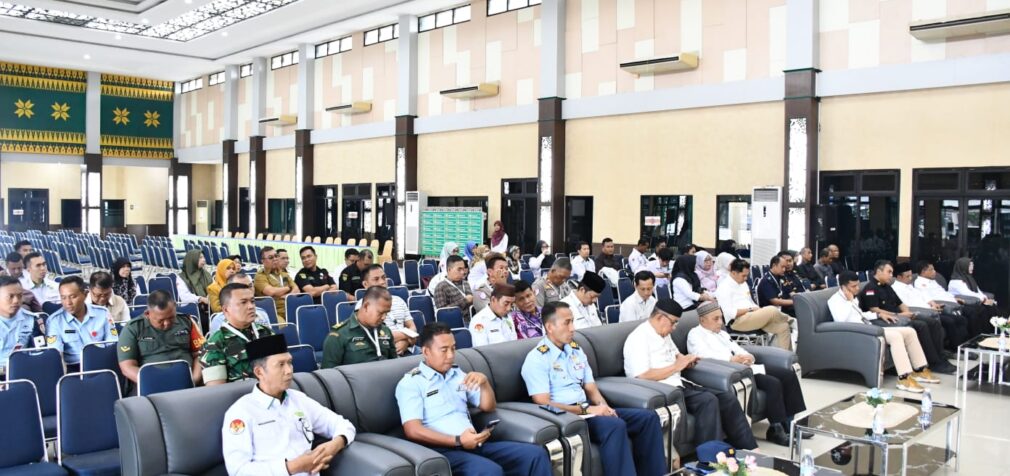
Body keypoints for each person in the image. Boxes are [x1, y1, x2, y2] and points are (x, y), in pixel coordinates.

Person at [521, 302, 666, 476]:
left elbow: (591, 388)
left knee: (648, 418)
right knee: (615, 426)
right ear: (550, 327)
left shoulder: (575, 350)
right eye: (567, 323)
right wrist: (588, 409)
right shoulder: (537, 358)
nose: (573, 328)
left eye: (573, 321)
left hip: (588, 410)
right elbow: (543, 403)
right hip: (567, 417)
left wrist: (605, 407)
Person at [397, 322, 551, 476]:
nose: (450, 355)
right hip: (441, 451)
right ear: (426, 351)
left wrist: (484, 383)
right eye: (444, 350)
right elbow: (413, 430)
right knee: (489, 471)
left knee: (535, 455)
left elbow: (488, 407)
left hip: (473, 443)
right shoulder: (411, 383)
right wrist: (458, 440)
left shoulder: (457, 374)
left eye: (453, 348)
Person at [623, 299, 757, 450]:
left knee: (727, 398)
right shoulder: (638, 338)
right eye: (673, 323)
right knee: (707, 401)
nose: (674, 327)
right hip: (662, 390)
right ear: (660, 317)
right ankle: (709, 457)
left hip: (679, 382)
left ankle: (750, 448)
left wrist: (687, 360)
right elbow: (641, 375)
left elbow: (677, 355)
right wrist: (676, 367)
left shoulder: (664, 333)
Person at [222, 334, 355, 475]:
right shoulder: (241, 412)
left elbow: (344, 425)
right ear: (259, 372)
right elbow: (238, 471)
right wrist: (293, 467)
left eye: (290, 363)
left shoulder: (298, 399)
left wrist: (335, 445)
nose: (289, 370)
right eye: (281, 365)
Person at [687, 302, 806, 447]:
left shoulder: (722, 333)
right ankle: (775, 429)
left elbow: (737, 348)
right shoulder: (695, 334)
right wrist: (731, 360)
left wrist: (749, 356)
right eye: (716, 319)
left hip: (747, 366)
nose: (721, 322)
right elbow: (701, 355)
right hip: (731, 372)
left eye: (721, 318)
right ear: (702, 320)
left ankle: (792, 425)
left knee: (788, 375)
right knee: (772, 383)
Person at [829, 272, 938, 393]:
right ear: (843, 287)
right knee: (896, 336)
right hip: (858, 333)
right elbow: (841, 320)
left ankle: (919, 369)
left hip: (869, 328)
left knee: (909, 331)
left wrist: (879, 314)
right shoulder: (834, 301)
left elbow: (861, 315)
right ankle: (904, 378)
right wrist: (850, 302)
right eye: (853, 286)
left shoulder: (853, 297)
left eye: (858, 285)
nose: (857, 288)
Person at [859, 260, 955, 374]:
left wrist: (908, 313)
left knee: (932, 322)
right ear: (879, 271)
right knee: (922, 326)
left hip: (901, 316)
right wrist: (901, 315)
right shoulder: (870, 288)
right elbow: (874, 310)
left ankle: (940, 356)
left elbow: (900, 303)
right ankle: (933, 363)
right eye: (889, 272)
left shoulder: (887, 286)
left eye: (892, 272)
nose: (891, 275)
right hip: (888, 319)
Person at [118, 290, 205, 388]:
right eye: (161, 320)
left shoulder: (186, 321)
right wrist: (155, 383)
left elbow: (200, 354)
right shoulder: (133, 328)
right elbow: (127, 367)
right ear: (147, 314)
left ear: (175, 307)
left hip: (188, 380)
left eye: (171, 318)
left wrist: (194, 379)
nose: (166, 323)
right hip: (151, 384)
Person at [201, 283, 275, 385]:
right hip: (243, 394)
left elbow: (283, 369)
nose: (251, 306)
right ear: (226, 309)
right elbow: (216, 390)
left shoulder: (267, 332)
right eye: (243, 302)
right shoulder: (214, 344)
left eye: (252, 301)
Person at [714, 259, 793, 351]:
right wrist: (751, 309)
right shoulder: (724, 288)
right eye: (743, 276)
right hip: (737, 322)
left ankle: (787, 357)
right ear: (734, 273)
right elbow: (730, 314)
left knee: (783, 327)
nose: (746, 278)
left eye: (747, 275)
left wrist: (757, 310)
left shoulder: (743, 283)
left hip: (752, 316)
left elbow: (750, 302)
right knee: (771, 309)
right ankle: (792, 321)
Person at [43, 276, 115, 371]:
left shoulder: (103, 313)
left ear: (85, 294)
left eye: (73, 297)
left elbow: (112, 345)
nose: (68, 302)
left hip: (102, 363)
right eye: (63, 298)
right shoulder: (55, 321)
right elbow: (57, 356)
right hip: (74, 368)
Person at [893, 262, 968, 350]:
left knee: (961, 319)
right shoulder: (896, 289)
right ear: (899, 277)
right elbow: (908, 305)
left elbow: (923, 296)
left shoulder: (909, 285)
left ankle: (963, 348)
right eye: (908, 276)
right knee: (949, 321)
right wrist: (930, 309)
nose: (910, 278)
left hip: (931, 310)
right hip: (923, 312)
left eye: (911, 275)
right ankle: (954, 349)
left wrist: (934, 304)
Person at [915, 260, 995, 338]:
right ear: (923, 271)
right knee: (971, 313)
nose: (934, 271)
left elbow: (944, 293)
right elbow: (928, 298)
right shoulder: (920, 283)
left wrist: (954, 298)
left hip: (953, 302)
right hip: (946, 305)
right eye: (931, 270)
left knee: (980, 309)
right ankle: (976, 338)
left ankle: (985, 335)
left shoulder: (932, 281)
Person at [321, 286, 397, 368]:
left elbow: (394, 365)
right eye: (380, 313)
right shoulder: (338, 336)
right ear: (366, 306)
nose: (384, 317)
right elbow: (328, 373)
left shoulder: (385, 331)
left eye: (387, 313)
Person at [359, 264, 417, 355]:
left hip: (409, 348)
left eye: (384, 277)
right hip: (385, 352)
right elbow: (374, 336)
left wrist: (406, 343)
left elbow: (412, 327)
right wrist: (407, 336)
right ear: (365, 284)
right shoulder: (363, 306)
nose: (382, 282)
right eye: (376, 279)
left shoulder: (399, 300)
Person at [0, 276, 37, 376]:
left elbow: (39, 354)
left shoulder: (32, 320)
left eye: (20, 296)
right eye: (10, 296)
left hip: (22, 374)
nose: (16, 301)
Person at [254, 247, 300, 322]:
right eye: (271, 257)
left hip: (290, 309)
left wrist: (287, 296)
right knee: (284, 326)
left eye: (276, 256)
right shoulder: (260, 276)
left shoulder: (284, 274)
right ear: (263, 261)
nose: (275, 259)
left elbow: (297, 290)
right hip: (273, 312)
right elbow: (271, 292)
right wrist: (288, 288)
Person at [433, 255, 474, 323]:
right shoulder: (441, 287)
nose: (463, 272)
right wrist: (465, 301)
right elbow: (442, 312)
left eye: (463, 269)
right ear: (449, 270)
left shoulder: (465, 283)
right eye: (459, 269)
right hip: (454, 323)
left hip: (471, 320)